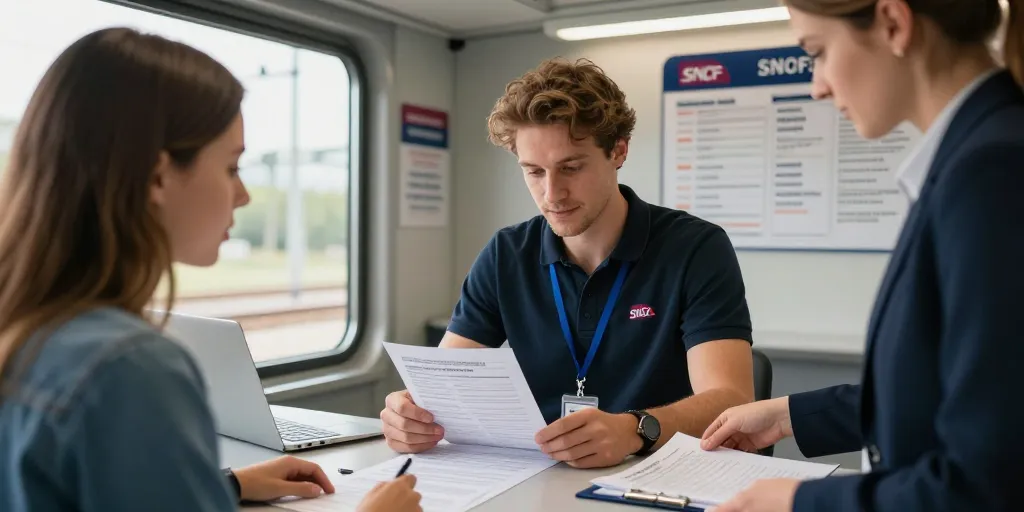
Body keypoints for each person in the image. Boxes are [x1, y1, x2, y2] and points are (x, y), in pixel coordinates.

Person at [0, 27, 420, 512]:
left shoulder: (29, 331)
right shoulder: (130, 368)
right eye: (231, 168)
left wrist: (225, 485)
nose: (243, 195)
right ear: (158, 176)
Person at [698, 1, 1024, 511]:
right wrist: (788, 415)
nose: (818, 86)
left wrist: (798, 502)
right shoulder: (973, 156)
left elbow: (987, 484)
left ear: (894, 23)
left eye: (818, 52)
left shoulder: (991, 172)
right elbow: (954, 390)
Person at [381, 57, 757, 469]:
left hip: (660, 472)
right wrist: (412, 416)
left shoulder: (696, 248)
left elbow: (731, 400)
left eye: (571, 168)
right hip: (539, 472)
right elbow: (446, 383)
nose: (552, 194)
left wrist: (634, 430)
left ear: (618, 151)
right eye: (534, 172)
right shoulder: (506, 254)